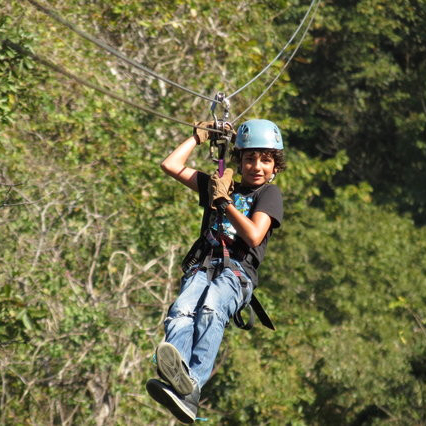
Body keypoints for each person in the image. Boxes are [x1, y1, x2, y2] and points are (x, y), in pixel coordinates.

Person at [146, 118, 286, 423]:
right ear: (239, 159)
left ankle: (193, 384)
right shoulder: (220, 184)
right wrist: (198, 138)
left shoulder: (268, 195)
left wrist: (226, 204)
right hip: (204, 266)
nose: (257, 166)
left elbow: (253, 236)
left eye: (265, 160)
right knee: (181, 310)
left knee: (211, 307)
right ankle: (179, 376)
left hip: (237, 273)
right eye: (249, 158)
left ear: (275, 167)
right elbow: (170, 165)